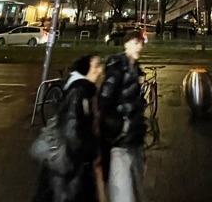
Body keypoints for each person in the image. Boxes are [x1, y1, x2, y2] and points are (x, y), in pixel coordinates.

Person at [33, 54, 104, 202]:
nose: (100, 70)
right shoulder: (79, 93)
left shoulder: (84, 91)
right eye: (96, 66)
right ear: (86, 70)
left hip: (74, 167)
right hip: (71, 169)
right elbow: (73, 132)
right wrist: (91, 150)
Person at [99, 29, 146, 202]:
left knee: (135, 189)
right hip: (120, 142)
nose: (139, 46)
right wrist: (118, 127)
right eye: (135, 42)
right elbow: (105, 99)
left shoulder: (134, 69)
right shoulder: (118, 68)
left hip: (134, 140)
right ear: (126, 44)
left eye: (141, 42)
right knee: (123, 193)